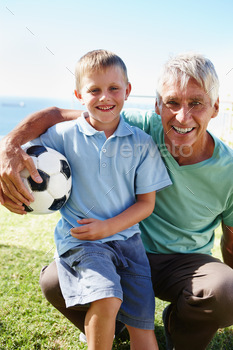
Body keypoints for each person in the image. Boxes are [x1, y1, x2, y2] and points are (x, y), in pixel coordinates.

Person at [1, 52, 233, 350]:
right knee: (55, 280)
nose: (182, 117)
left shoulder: (228, 172)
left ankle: (180, 330)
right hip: (120, 248)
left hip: (183, 265)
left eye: (196, 103)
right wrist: (8, 146)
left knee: (226, 290)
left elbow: (230, 242)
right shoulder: (134, 129)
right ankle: (116, 323)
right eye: (172, 102)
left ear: (215, 107)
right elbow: (56, 116)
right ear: (158, 106)